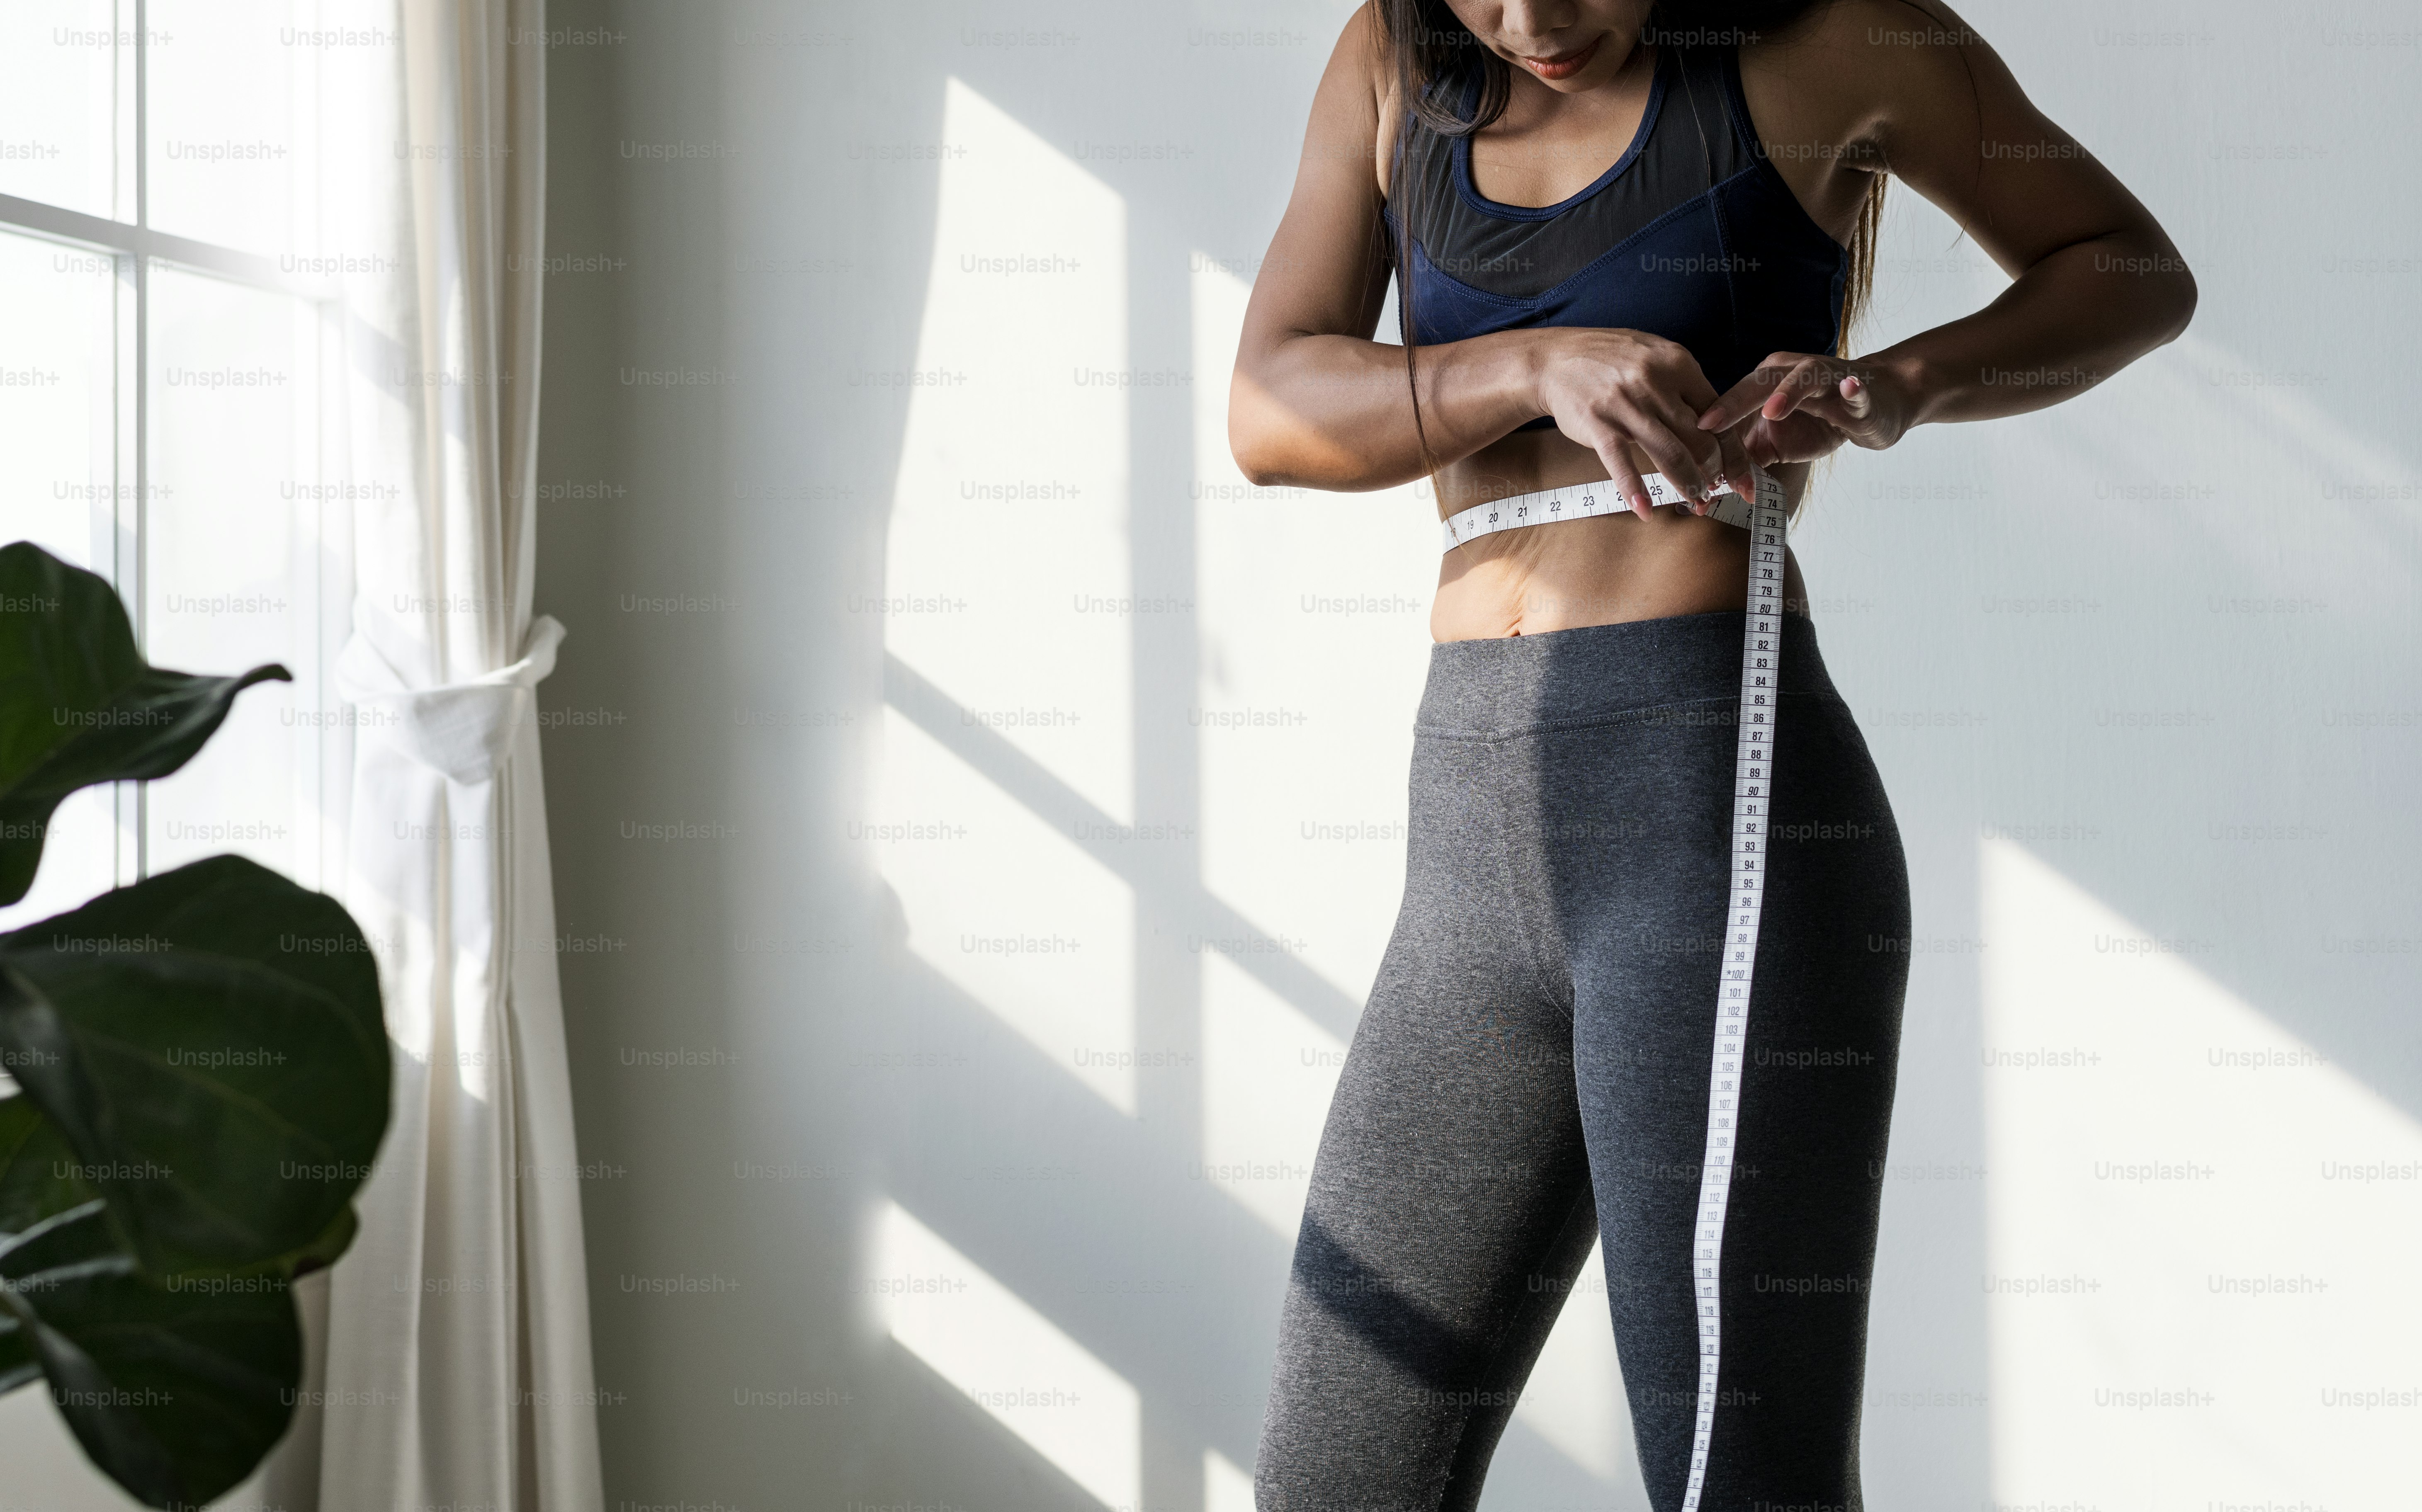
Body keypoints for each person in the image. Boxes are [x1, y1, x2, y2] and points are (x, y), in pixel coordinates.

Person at [1228, 0, 2194, 1507]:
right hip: (1468, 831)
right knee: (1339, 1474)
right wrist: (1527, 369)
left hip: (1715, 817)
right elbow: (1269, 407)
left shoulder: (1844, 42)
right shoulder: (1390, 58)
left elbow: (2127, 270)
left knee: (1739, 1477)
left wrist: (1898, 386)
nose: (1532, 22)